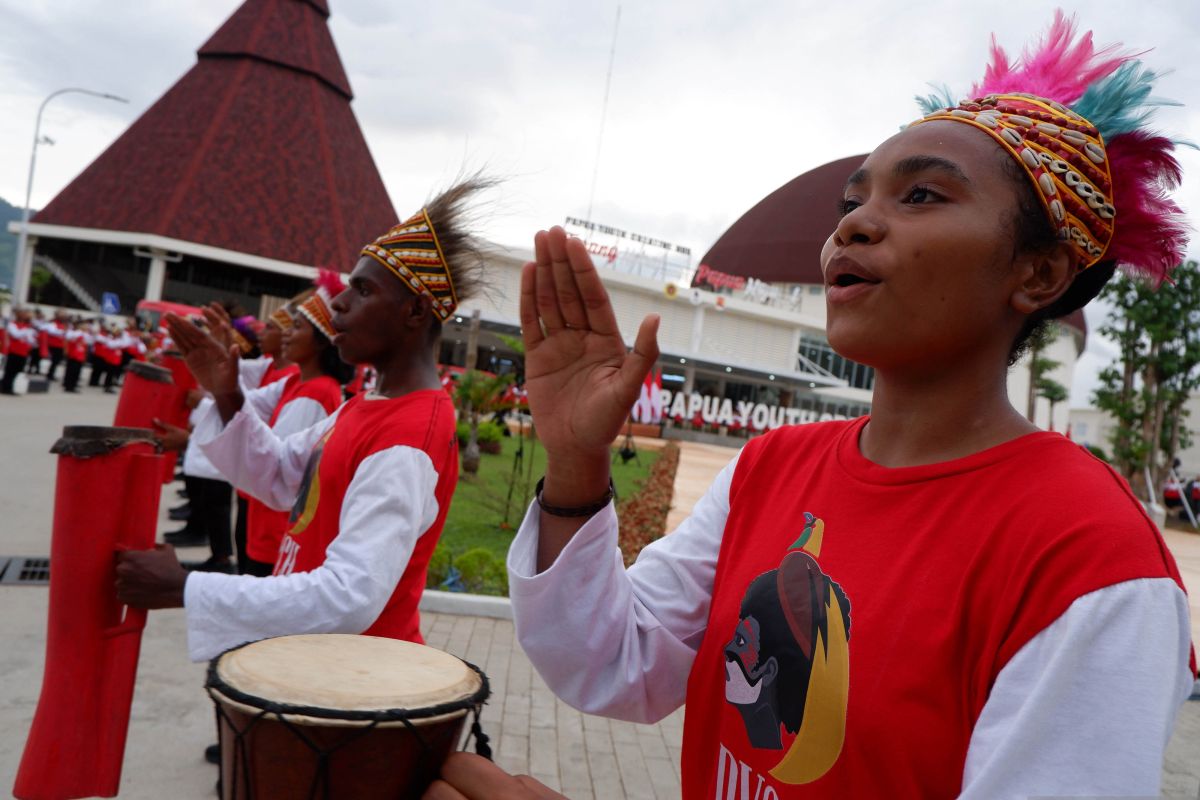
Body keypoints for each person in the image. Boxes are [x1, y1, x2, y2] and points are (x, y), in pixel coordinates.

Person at [433, 17, 1195, 800]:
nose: (852, 226)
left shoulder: (1091, 559)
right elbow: (615, 663)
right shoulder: (771, 467)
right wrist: (574, 463)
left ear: (1038, 275)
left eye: (922, 195)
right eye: (853, 200)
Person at [115, 178, 489, 663]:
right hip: (317, 664)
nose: (338, 303)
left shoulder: (407, 437)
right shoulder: (366, 405)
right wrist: (227, 394)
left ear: (415, 311)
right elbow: (278, 475)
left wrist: (186, 586)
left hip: (351, 682)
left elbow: (350, 596)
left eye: (362, 289)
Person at [238, 276, 351, 576]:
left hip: (275, 525)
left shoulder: (316, 392)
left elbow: (274, 460)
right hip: (266, 517)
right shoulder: (298, 382)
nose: (286, 333)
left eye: (297, 326)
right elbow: (247, 406)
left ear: (320, 342)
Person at [1, 309, 37, 394]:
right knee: (10, 370)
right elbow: (16, 334)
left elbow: (30, 340)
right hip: (13, 351)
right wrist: (27, 330)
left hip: (23, 352)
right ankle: (5, 388)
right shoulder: (12, 325)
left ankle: (9, 387)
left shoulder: (27, 327)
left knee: (17, 371)